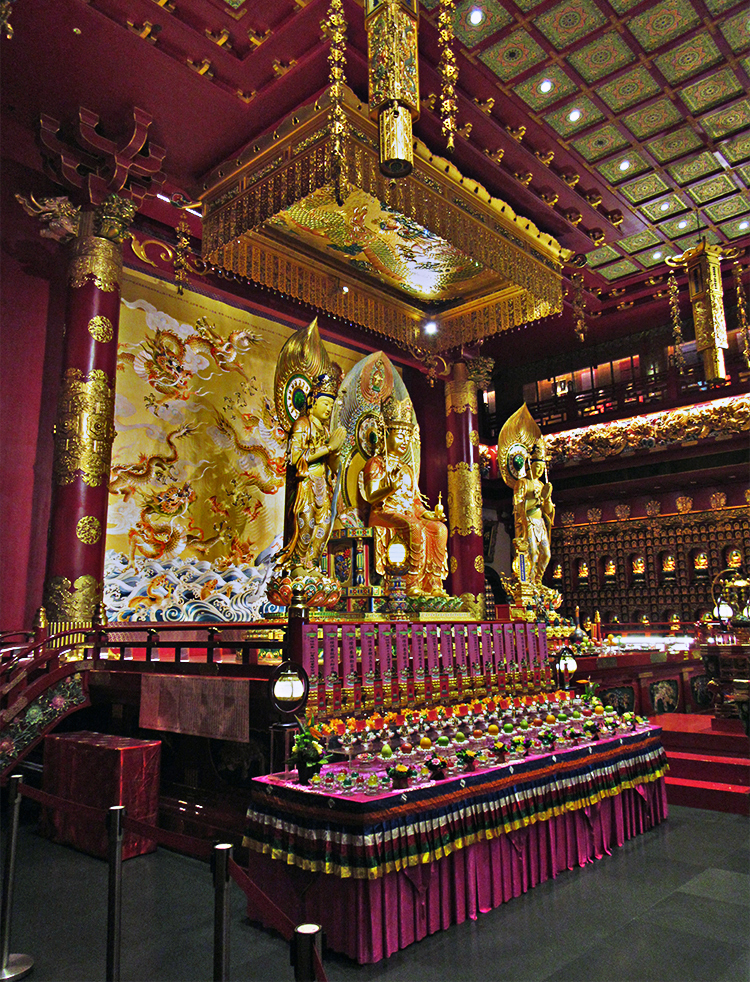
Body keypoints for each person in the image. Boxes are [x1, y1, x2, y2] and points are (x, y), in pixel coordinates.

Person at [360, 396, 448, 596]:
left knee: (439, 529)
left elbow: (414, 503)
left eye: (407, 437)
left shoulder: (407, 470)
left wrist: (429, 515)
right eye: (400, 436)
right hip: (383, 513)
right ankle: (410, 582)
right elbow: (372, 496)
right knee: (413, 526)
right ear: (385, 435)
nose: (404, 442)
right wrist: (388, 488)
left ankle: (433, 583)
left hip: (407, 514)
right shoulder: (376, 463)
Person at [275, 372, 345, 578]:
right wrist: (328, 447)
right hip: (305, 485)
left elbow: (333, 466)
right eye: (325, 403)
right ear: (312, 402)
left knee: (323, 527)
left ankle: (311, 565)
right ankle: (297, 565)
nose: (328, 409)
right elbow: (295, 458)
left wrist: (336, 451)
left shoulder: (324, 430)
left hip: (321, 484)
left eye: (331, 406)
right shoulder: (302, 425)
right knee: (306, 524)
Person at [512, 442, 554, 586]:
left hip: (539, 522)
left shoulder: (541, 485)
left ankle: (538, 580)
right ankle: (529, 581)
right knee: (533, 553)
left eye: (542, 468)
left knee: (546, 554)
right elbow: (519, 507)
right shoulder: (522, 483)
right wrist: (538, 499)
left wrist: (547, 497)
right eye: (537, 467)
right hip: (528, 521)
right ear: (530, 466)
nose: (539, 471)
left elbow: (548, 510)